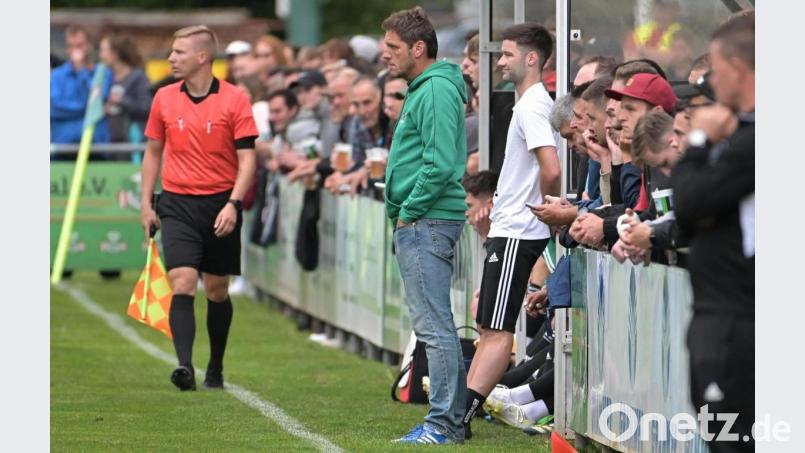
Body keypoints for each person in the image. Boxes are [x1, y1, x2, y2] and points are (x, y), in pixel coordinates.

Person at [140, 25, 258, 391]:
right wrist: (146, 203)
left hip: (220, 203)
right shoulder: (163, 98)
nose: (171, 58)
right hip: (176, 203)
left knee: (217, 290)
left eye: (178, 52)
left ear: (202, 57)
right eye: (172, 52)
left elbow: (248, 160)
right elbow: (153, 152)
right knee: (183, 280)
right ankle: (185, 367)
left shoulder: (235, 99)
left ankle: (216, 368)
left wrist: (233, 204)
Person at [463, 22, 560, 440]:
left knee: (497, 330)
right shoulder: (528, 104)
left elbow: (551, 168)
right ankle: (456, 413)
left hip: (519, 230)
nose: (499, 61)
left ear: (531, 58)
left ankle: (457, 418)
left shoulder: (533, 106)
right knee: (488, 326)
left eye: (505, 54)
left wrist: (547, 209)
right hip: (511, 229)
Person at [381, 6, 469, 445]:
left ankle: (444, 424)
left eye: (393, 47)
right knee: (435, 325)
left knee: (434, 327)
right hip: (428, 218)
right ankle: (449, 420)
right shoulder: (428, 88)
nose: (386, 55)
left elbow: (436, 165)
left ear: (419, 48)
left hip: (428, 219)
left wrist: (409, 209)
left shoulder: (434, 90)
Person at [672, 13, 755, 452]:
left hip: (734, 322)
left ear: (738, 71)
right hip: (725, 317)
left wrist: (699, 143)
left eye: (716, 74)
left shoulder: (751, 141)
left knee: (732, 441)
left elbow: (687, 204)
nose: (711, 88)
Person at [51, 24, 112, 147]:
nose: (75, 50)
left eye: (79, 45)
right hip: (63, 144)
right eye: (70, 46)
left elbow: (96, 102)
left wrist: (81, 72)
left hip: (95, 145)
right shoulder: (56, 75)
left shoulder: (102, 73)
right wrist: (87, 109)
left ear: (89, 46)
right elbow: (55, 108)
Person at [98, 35, 153, 144]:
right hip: (110, 142)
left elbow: (147, 108)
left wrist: (122, 101)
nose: (100, 55)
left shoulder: (138, 78)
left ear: (115, 54)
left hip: (132, 143)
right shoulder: (104, 78)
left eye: (104, 50)